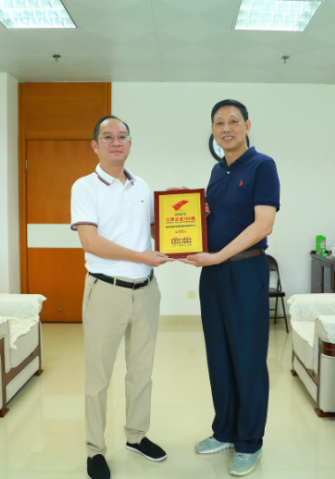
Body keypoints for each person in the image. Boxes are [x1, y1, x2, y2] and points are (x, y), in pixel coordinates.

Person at [179, 99, 280, 476]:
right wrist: (192, 211)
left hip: (245, 271)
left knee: (248, 358)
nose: (226, 128)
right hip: (214, 275)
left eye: (234, 121)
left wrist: (219, 256)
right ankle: (225, 431)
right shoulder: (217, 170)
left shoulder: (262, 165)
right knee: (218, 355)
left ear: (247, 125)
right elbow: (218, 219)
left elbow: (263, 224)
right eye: (219, 122)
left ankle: (250, 442)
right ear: (212, 130)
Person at [71, 115, 172, 479]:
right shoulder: (85, 187)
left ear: (130, 144)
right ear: (95, 145)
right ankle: (94, 450)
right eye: (108, 137)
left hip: (146, 292)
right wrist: (141, 256)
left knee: (141, 372)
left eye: (123, 136)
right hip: (106, 292)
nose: (116, 142)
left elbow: (155, 230)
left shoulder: (142, 186)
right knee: (99, 377)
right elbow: (91, 242)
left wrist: (189, 213)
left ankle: (136, 435)